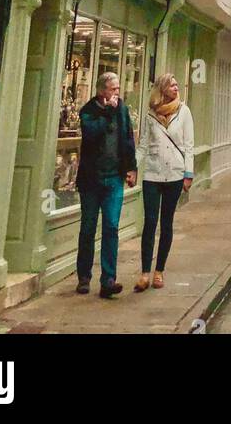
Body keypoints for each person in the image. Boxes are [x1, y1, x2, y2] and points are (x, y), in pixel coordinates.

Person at [75, 71, 137, 298]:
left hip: (113, 178)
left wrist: (131, 168)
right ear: (102, 91)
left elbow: (128, 139)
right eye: (113, 89)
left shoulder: (121, 109)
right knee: (88, 227)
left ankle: (108, 279)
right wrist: (108, 112)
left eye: (118, 89)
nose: (117, 93)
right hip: (91, 180)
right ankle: (84, 276)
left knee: (111, 226)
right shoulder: (88, 111)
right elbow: (91, 134)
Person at [134, 73, 193, 292]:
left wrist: (189, 174)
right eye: (172, 85)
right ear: (162, 89)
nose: (176, 88)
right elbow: (143, 145)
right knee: (150, 222)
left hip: (175, 175)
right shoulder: (150, 114)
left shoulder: (184, 112)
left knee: (166, 222)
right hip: (152, 174)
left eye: (177, 85)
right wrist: (133, 167)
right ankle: (144, 273)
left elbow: (188, 145)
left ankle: (159, 271)